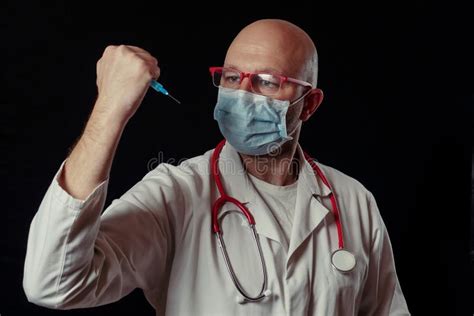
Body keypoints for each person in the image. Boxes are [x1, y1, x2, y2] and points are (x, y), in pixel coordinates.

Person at [23, 19, 410, 315]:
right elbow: (53, 283)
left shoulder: (355, 203)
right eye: (230, 77)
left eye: (266, 82)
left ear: (308, 105)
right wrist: (110, 109)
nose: (241, 95)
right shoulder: (176, 194)